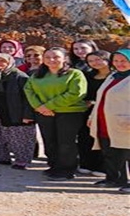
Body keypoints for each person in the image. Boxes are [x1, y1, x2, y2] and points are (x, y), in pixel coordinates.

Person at [24, 47, 88, 181]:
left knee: (66, 142)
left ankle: (66, 170)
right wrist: (39, 107)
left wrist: (48, 106)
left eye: (56, 57)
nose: (51, 60)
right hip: (43, 113)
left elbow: (75, 93)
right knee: (50, 140)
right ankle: (54, 165)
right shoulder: (37, 75)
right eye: (48, 57)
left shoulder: (75, 74)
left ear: (65, 58)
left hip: (69, 113)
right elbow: (28, 90)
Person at [0, 53, 37, 170]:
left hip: (15, 111)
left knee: (19, 136)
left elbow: (28, 97)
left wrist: (28, 115)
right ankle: (0, 158)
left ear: (10, 62)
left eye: (2, 61)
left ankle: (21, 160)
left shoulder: (19, 76)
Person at [88, 49, 130, 193]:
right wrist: (92, 117)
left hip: (125, 122)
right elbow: (101, 98)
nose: (120, 64)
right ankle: (113, 178)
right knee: (110, 151)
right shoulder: (113, 76)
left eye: (124, 61)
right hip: (106, 121)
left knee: (127, 153)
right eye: (116, 61)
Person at [79, 51, 111, 176]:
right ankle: (87, 164)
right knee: (86, 137)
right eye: (91, 61)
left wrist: (95, 103)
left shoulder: (115, 76)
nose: (94, 63)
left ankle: (103, 167)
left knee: (104, 139)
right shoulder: (87, 76)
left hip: (107, 112)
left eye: (98, 59)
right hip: (87, 112)